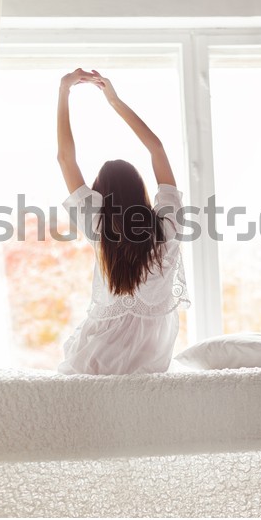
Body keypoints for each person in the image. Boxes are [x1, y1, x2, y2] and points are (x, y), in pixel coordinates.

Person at [56, 68, 190, 375]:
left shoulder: (97, 225)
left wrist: (64, 90)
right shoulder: (169, 225)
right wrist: (113, 100)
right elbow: (156, 147)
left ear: (101, 195)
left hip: (96, 352)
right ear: (139, 188)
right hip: (152, 354)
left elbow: (65, 159)